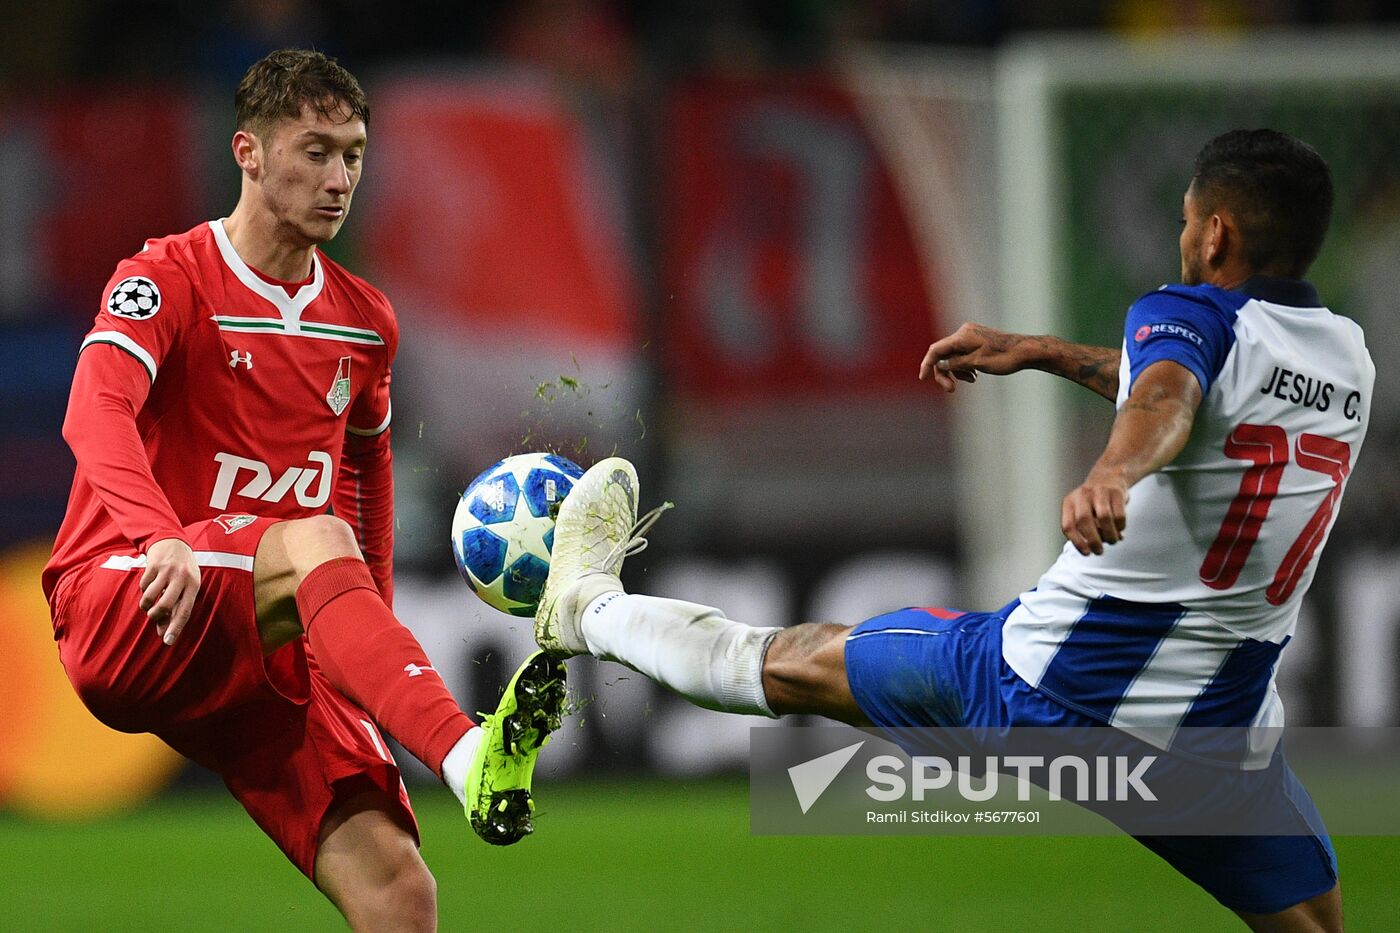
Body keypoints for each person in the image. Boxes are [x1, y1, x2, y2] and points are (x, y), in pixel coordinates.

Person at [534, 129, 1371, 933]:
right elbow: (1186, 385)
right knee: (1312, 923)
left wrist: (1112, 473)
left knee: (789, 661)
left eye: (1187, 222)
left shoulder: (1184, 313)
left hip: (1051, 689)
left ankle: (583, 606)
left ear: (1216, 233)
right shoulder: (1344, 361)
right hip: (1218, 747)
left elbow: (1168, 398)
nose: (1183, 238)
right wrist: (1039, 349)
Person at [42, 48, 565, 931]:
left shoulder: (364, 321)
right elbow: (94, 414)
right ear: (248, 152)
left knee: (401, 888)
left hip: (263, 641)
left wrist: (367, 642)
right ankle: (470, 754)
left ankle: (451, 754)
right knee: (317, 536)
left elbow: (368, 476)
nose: (339, 177)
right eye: (315, 150)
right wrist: (158, 531)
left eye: (354, 153)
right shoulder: (167, 277)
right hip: (132, 597)